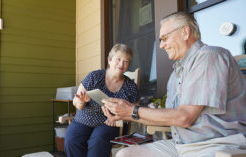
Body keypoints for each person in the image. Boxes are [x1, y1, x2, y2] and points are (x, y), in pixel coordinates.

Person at [102, 11, 246, 157]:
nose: (161, 45)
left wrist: (131, 110)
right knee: (124, 154)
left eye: (165, 38)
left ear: (185, 32)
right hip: (182, 146)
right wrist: (123, 115)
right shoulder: (175, 73)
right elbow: (170, 120)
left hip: (217, 145)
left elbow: (184, 117)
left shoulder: (209, 56)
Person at [64, 44, 140, 157]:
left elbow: (135, 112)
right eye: (118, 59)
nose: (121, 64)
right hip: (83, 120)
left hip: (108, 123)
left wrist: (119, 118)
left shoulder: (130, 86)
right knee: (71, 140)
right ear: (110, 60)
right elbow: (77, 104)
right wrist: (82, 101)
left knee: (98, 141)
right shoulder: (94, 76)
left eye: (126, 61)